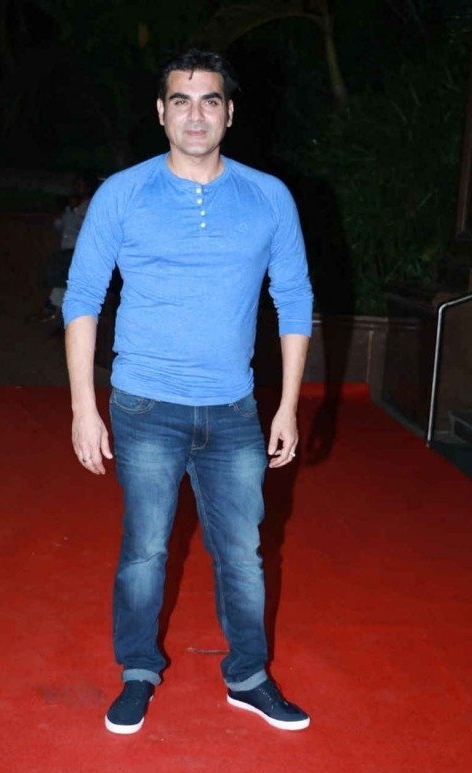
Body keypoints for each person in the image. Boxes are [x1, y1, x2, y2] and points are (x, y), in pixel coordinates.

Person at [62, 48, 313, 735]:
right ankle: (138, 671)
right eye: (180, 100)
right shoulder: (123, 193)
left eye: (209, 100)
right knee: (145, 549)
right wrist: (83, 407)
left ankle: (248, 676)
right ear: (160, 113)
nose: (194, 114)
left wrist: (288, 404)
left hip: (233, 408)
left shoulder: (267, 196)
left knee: (243, 554)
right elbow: (82, 298)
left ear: (229, 114)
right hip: (144, 405)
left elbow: (293, 298)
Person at [31, 170, 98, 322]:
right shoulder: (73, 205)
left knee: (64, 278)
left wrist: (75, 211)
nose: (77, 188)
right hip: (67, 249)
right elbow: (60, 225)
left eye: (80, 185)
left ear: (89, 187)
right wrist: (67, 210)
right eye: (76, 185)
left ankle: (54, 309)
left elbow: (88, 228)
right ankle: (59, 311)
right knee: (64, 280)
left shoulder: (92, 206)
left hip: (80, 251)